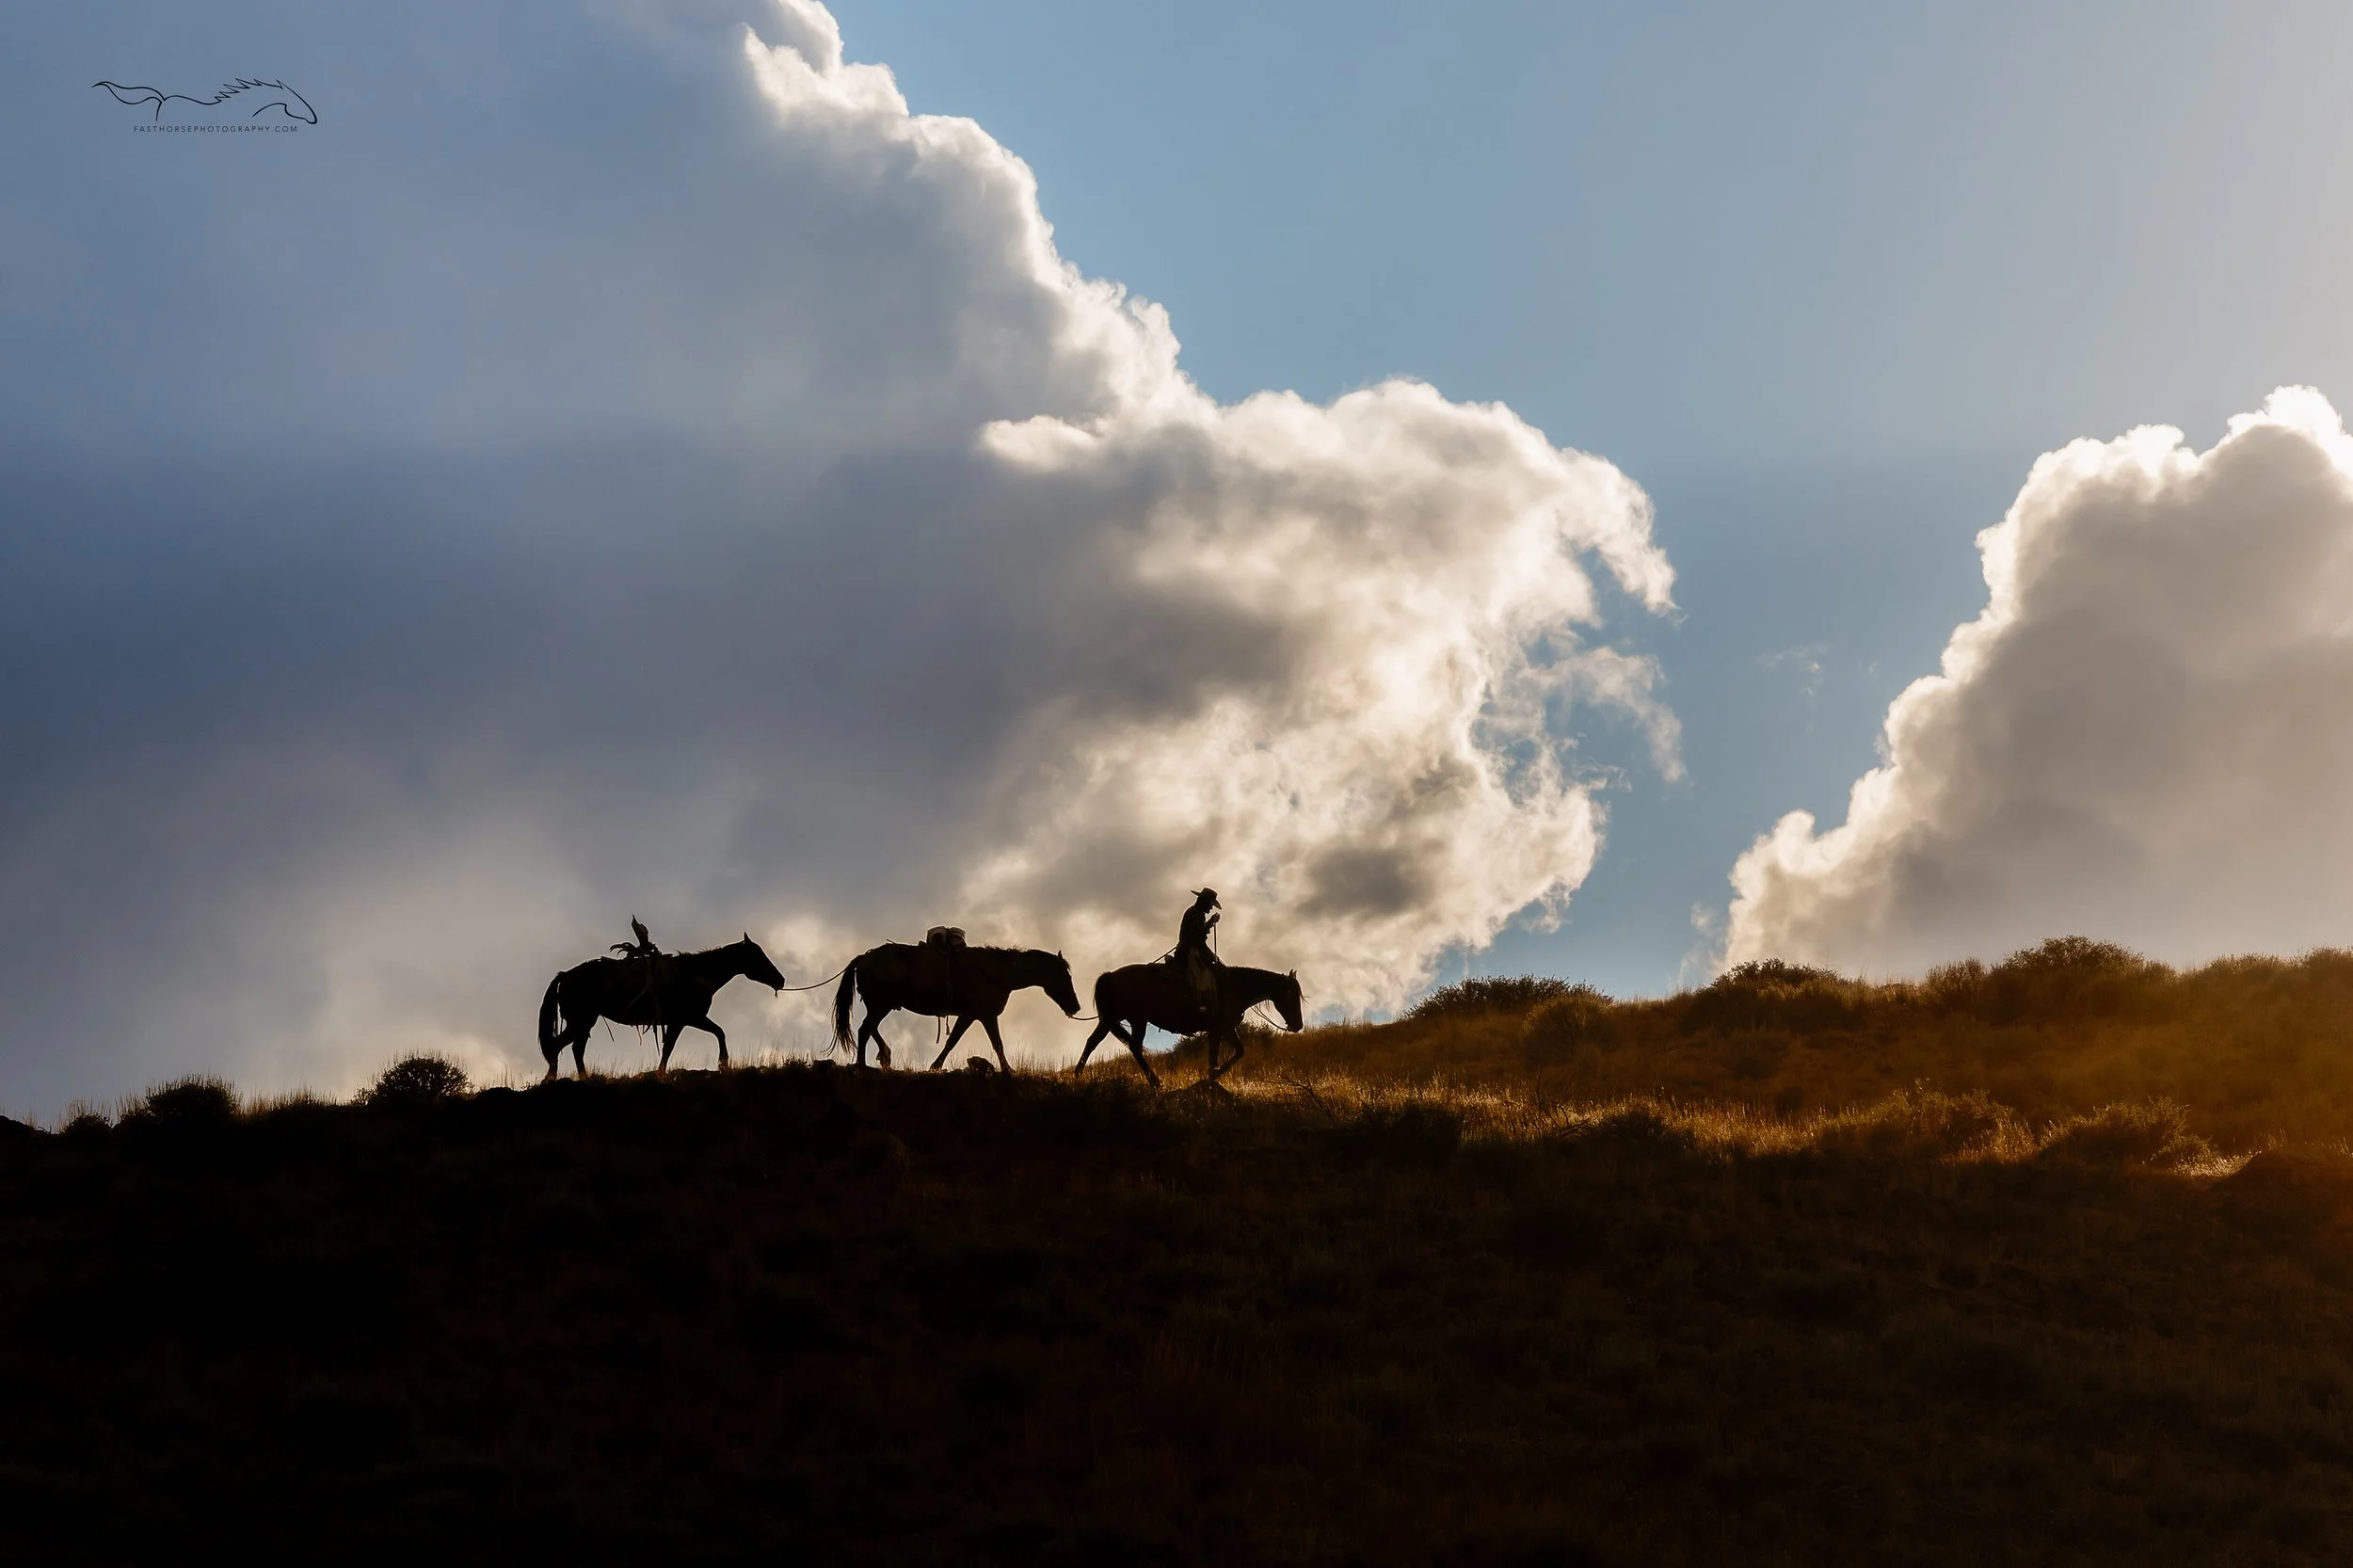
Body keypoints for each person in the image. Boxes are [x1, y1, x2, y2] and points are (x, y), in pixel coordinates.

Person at [1174, 888, 1221, 1020]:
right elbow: (1197, 936)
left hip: (1194, 949)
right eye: (1210, 904)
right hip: (1189, 951)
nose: (1211, 908)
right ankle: (1198, 1006)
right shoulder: (1193, 913)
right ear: (1204, 901)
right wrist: (1211, 923)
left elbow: (1199, 934)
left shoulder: (1197, 914)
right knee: (1202, 977)